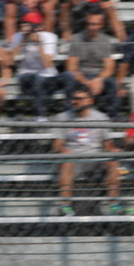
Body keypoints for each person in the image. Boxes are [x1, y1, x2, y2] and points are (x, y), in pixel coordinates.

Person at [53, 86, 120, 214]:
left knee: (113, 162)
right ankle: (65, 204)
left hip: (95, 158)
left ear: (90, 101)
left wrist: (112, 151)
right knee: (67, 161)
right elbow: (57, 144)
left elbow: (107, 143)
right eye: (73, 98)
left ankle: (113, 204)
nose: (74, 101)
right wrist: (63, 149)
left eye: (79, 99)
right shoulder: (62, 117)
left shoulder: (101, 117)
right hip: (73, 159)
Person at [63, 9, 118, 118]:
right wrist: (87, 82)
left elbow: (109, 67)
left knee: (112, 83)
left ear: (101, 25)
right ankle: (69, 117)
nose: (91, 27)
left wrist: (98, 79)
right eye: (89, 23)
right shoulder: (77, 39)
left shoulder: (105, 40)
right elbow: (71, 67)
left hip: (99, 76)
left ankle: (114, 119)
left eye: (95, 24)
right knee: (68, 77)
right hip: (81, 76)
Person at [10, 10, 59, 121]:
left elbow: (47, 64)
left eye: (31, 25)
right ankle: (40, 115)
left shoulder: (49, 37)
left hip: (48, 78)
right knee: (37, 78)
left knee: (68, 77)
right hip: (27, 78)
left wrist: (39, 43)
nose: (28, 28)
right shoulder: (18, 36)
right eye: (25, 24)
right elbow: (10, 61)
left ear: (39, 26)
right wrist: (23, 40)